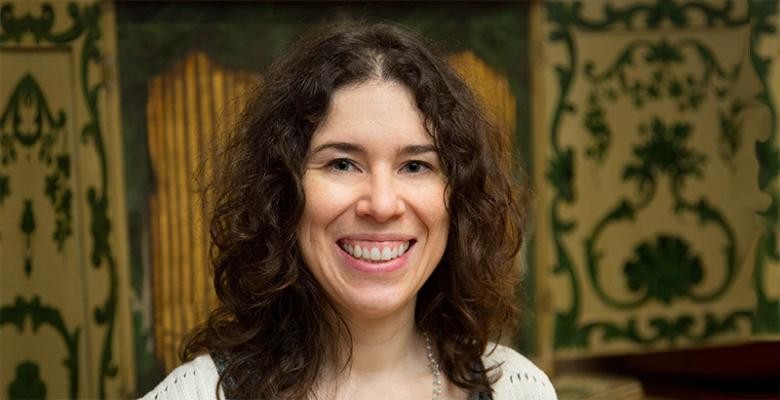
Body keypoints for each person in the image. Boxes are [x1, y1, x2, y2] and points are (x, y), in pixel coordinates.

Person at [142, 21, 557, 400]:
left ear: (458, 198)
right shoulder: (193, 393)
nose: (381, 204)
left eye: (415, 166)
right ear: (282, 192)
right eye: (342, 163)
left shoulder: (519, 389)